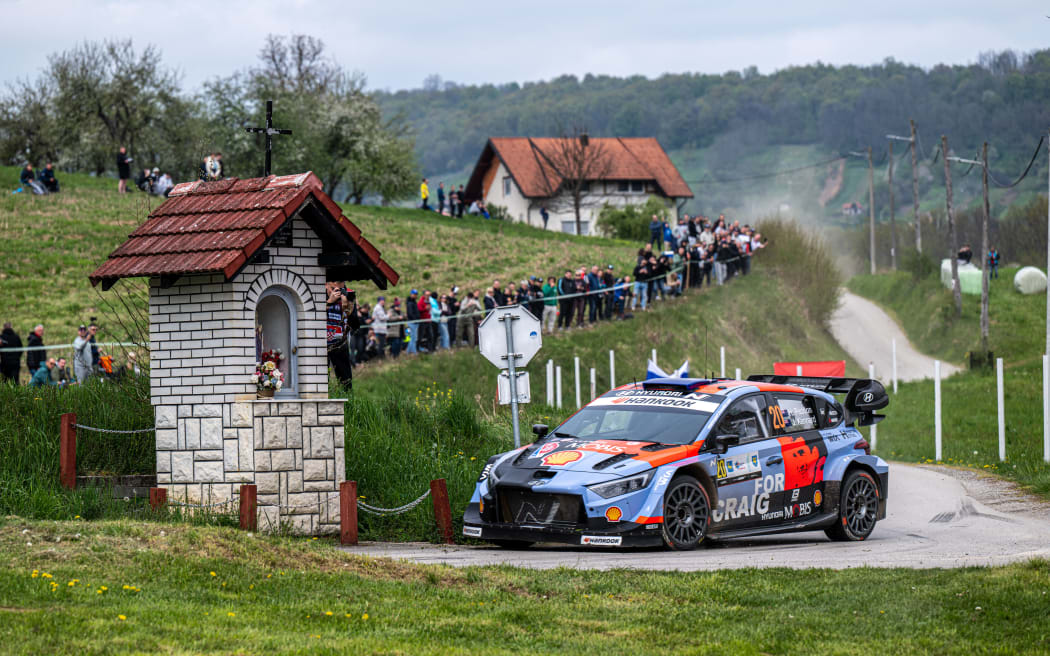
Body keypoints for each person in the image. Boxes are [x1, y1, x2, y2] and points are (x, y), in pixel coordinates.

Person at [326, 282, 356, 388]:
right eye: (333, 288)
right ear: (325, 285)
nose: (336, 292)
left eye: (340, 289)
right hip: (321, 343)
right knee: (322, 378)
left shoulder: (346, 297)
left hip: (340, 342)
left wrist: (347, 306)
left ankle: (347, 397)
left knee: (345, 379)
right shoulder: (318, 295)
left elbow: (354, 324)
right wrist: (330, 302)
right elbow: (313, 313)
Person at [405, 290, 421, 354]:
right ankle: (413, 352)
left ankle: (408, 351)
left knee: (412, 338)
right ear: (411, 294)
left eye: (416, 294)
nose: (415, 295)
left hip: (414, 322)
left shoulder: (414, 302)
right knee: (413, 338)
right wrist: (416, 319)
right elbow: (410, 314)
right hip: (412, 323)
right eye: (414, 294)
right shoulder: (410, 303)